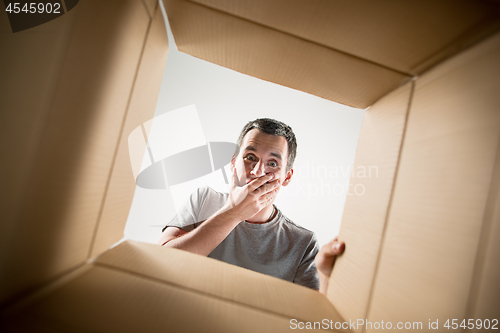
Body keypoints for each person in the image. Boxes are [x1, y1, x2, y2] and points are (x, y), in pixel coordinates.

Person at [158, 118, 344, 294]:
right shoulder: (203, 200)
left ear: (286, 177)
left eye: (272, 163)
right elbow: (160, 261)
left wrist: (326, 277)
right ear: (233, 164)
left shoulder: (303, 243)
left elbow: (313, 319)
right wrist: (234, 212)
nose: (257, 172)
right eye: (250, 157)